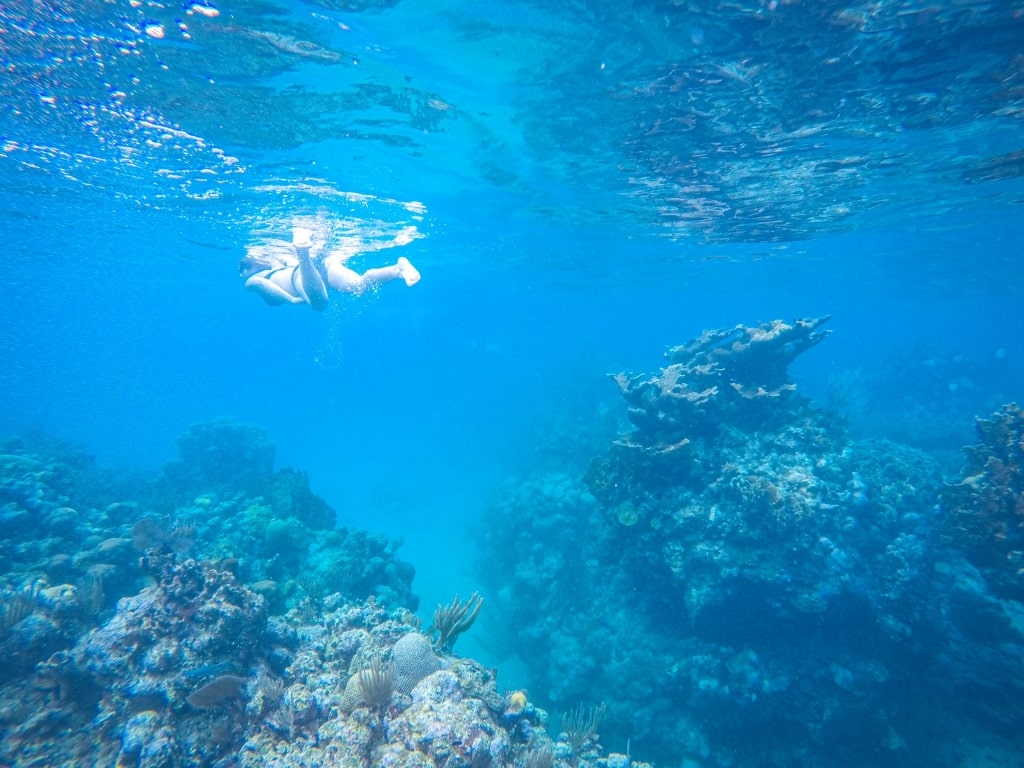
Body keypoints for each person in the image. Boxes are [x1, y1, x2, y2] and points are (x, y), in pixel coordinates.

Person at [239, 227, 420, 310]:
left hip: (298, 276)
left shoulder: (255, 278)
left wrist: (290, 300)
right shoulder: (280, 263)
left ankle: (302, 250)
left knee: (319, 305)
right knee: (358, 287)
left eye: (242, 268)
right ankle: (398, 269)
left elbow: (262, 284)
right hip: (324, 267)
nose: (241, 275)